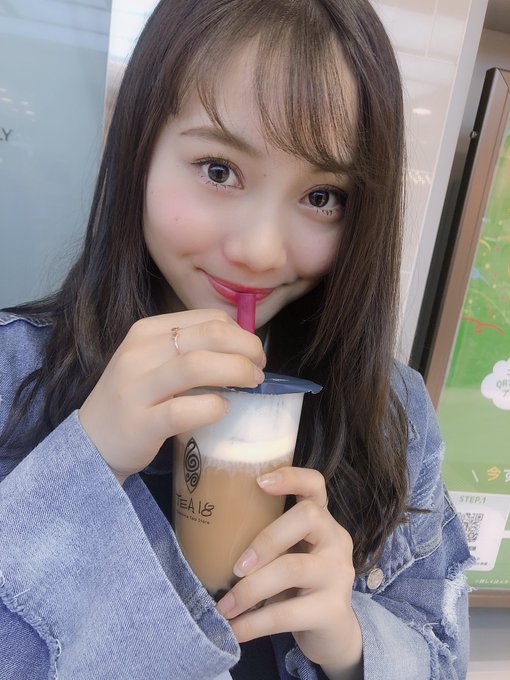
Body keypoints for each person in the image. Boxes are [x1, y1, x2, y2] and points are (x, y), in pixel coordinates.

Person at [0, 1, 473, 679]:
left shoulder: (390, 412)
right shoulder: (12, 371)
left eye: (322, 196)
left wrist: (349, 645)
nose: (259, 250)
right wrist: (84, 467)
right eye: (219, 169)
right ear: (137, 148)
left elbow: (444, 657)